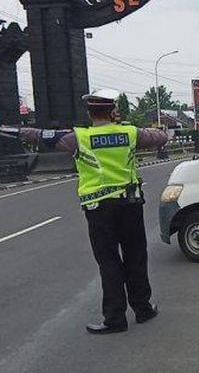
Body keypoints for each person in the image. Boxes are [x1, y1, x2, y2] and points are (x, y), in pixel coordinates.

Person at [14, 89, 168, 334]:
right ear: (113, 111)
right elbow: (160, 138)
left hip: (99, 211)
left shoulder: (78, 138)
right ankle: (143, 309)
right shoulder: (130, 133)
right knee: (136, 257)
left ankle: (115, 319)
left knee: (109, 262)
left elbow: (38, 135)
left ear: (89, 112)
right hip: (130, 206)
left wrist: (14, 129)